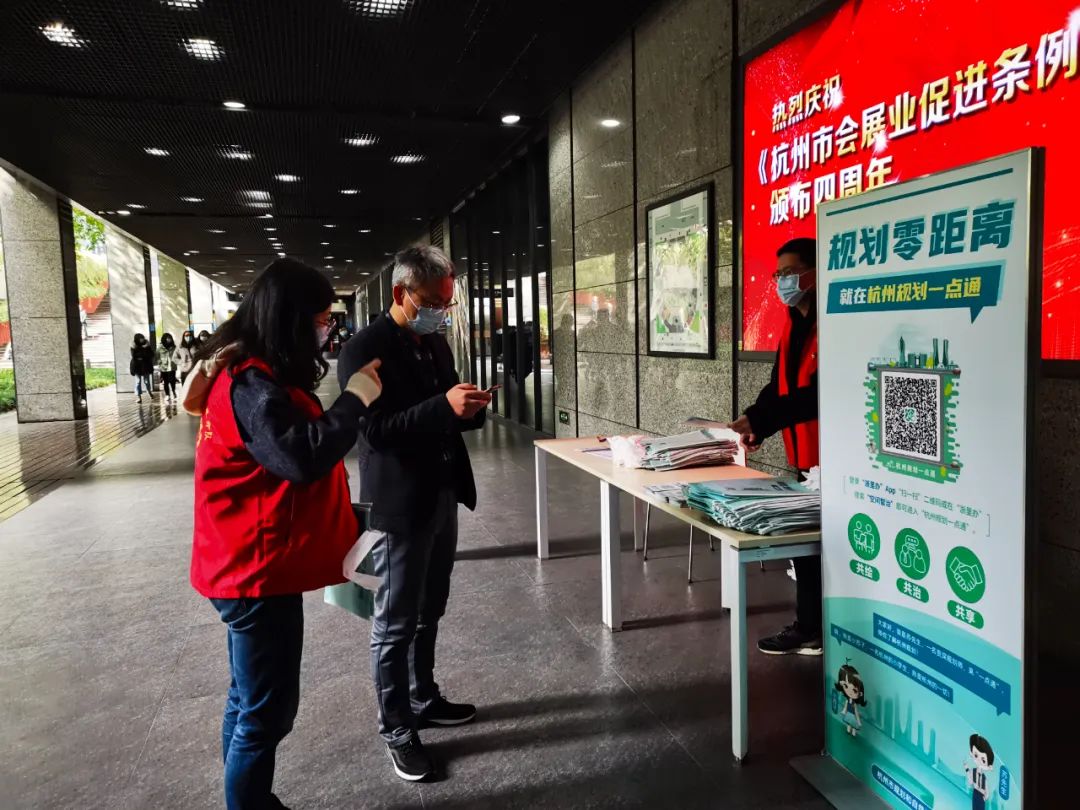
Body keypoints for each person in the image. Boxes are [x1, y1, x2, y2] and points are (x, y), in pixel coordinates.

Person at [187, 258, 383, 810]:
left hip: (245, 562)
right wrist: (355, 398)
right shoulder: (251, 384)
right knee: (266, 712)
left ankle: (250, 799)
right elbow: (301, 456)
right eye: (320, 320)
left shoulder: (246, 372)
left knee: (246, 697)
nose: (326, 330)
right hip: (253, 571)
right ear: (291, 320)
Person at [337, 245, 490, 783]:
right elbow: (375, 431)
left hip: (442, 491)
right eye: (433, 303)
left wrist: (468, 409)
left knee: (431, 607)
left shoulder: (434, 342)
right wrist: (442, 407)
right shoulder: (363, 349)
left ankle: (423, 696)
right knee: (395, 620)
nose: (441, 314)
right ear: (401, 293)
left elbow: (443, 409)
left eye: (447, 304)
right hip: (399, 503)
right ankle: (396, 727)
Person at [728, 237, 821, 655]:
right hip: (805, 457)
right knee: (810, 547)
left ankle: (814, 628)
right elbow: (778, 386)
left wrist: (764, 419)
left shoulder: (833, 322)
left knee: (821, 547)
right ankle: (811, 627)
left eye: (790, 272)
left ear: (814, 272)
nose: (783, 281)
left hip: (836, 458)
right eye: (778, 274)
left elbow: (818, 395)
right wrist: (756, 422)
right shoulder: (792, 322)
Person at [129, 333, 155, 403]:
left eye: (143, 338)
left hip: (145, 365)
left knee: (147, 381)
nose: (142, 339)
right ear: (137, 339)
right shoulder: (133, 346)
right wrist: (144, 353)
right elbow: (133, 355)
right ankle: (138, 396)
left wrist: (142, 354)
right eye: (140, 338)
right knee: (138, 382)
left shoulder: (147, 345)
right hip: (136, 366)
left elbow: (151, 354)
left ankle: (149, 392)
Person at [157, 332, 179, 403]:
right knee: (165, 382)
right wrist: (160, 364)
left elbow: (177, 355)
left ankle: (173, 391)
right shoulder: (160, 347)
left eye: (170, 338)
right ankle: (167, 395)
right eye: (167, 338)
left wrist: (176, 361)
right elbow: (157, 356)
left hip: (172, 366)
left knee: (172, 381)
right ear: (164, 339)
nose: (169, 339)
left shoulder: (174, 347)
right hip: (164, 367)